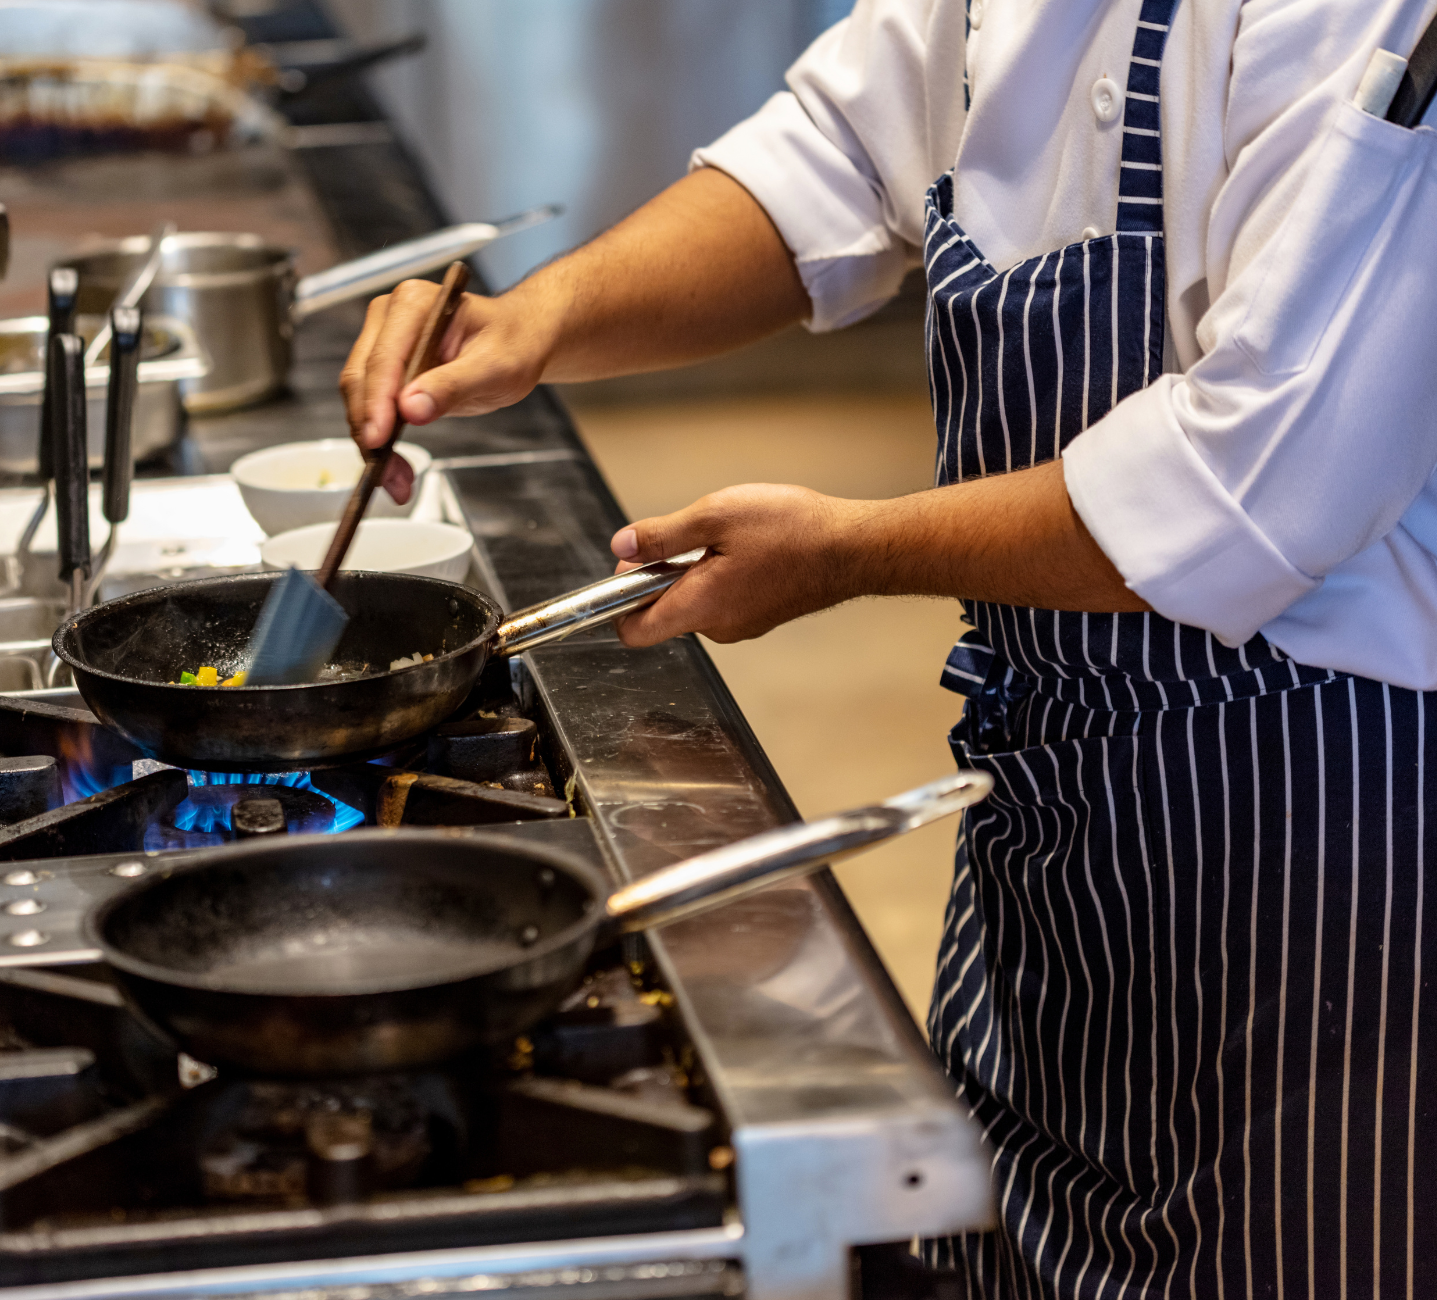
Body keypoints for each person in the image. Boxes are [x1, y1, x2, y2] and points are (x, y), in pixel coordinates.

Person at [340, 1, 1437, 1294]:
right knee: (998, 1230)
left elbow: (1257, 487)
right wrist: (540, 320)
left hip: (1333, 834)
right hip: (1062, 788)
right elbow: (840, 158)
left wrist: (848, 551)